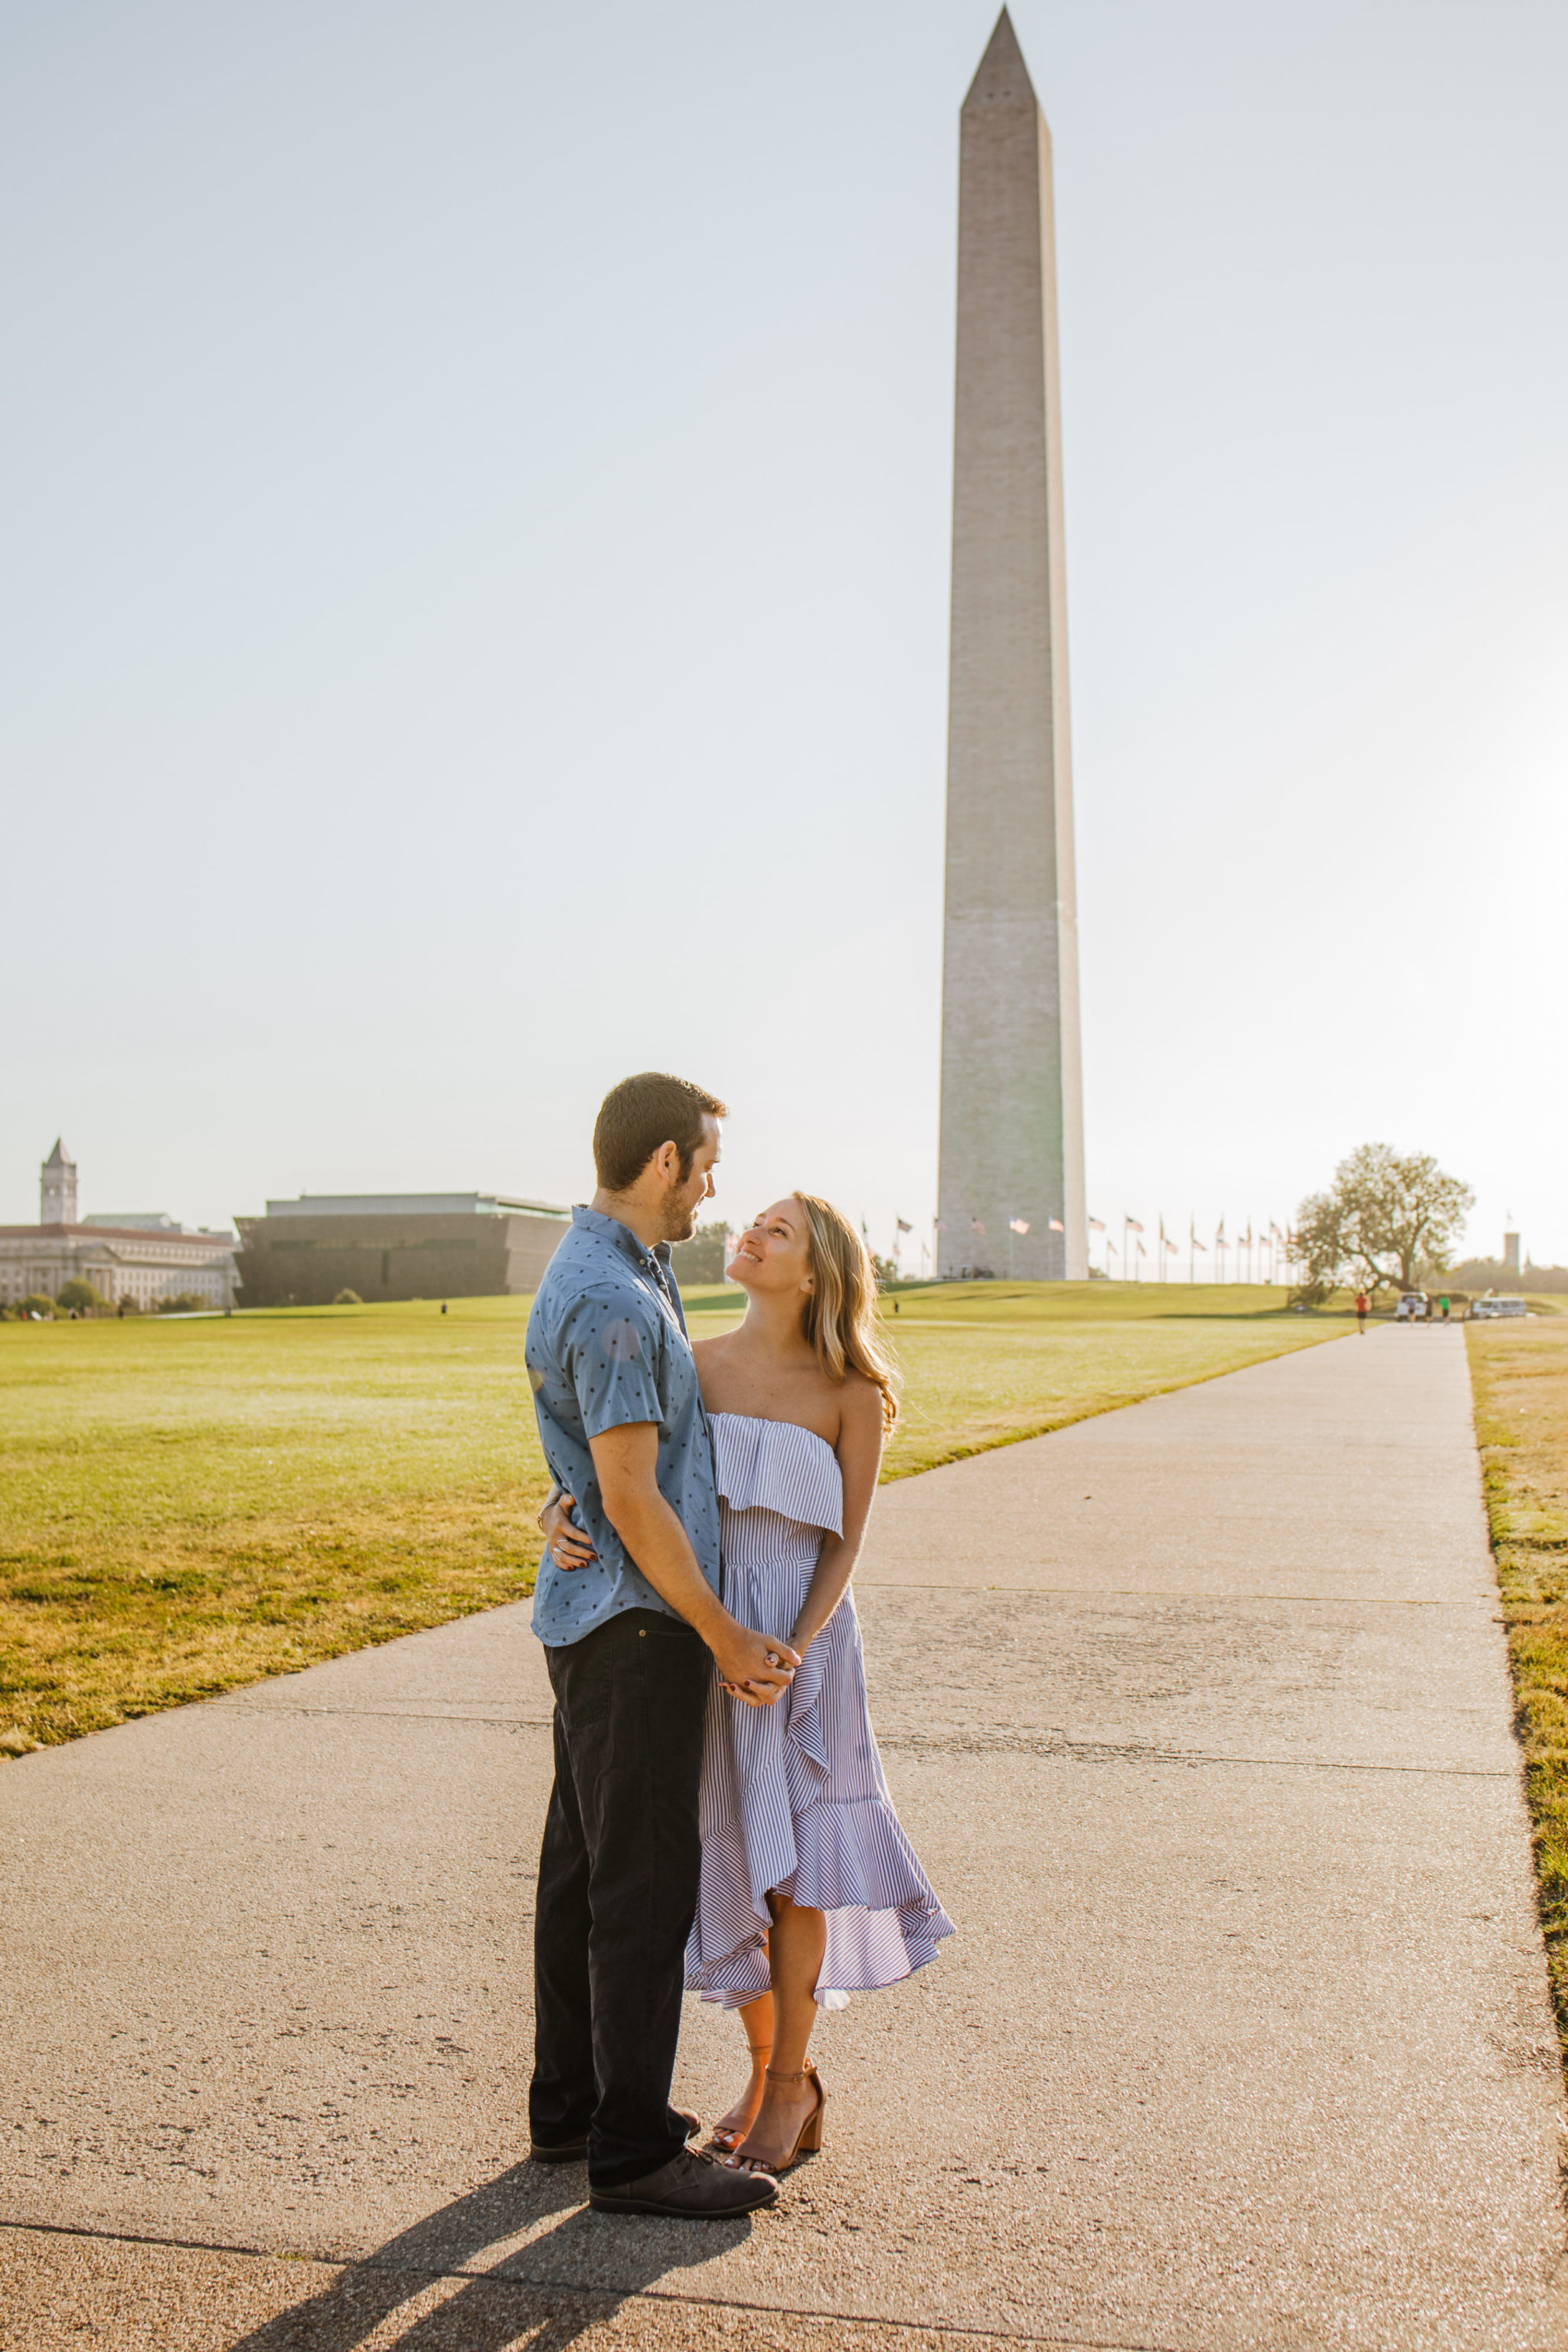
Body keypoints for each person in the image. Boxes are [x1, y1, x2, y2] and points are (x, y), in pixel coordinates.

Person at [545, 1192, 953, 2178]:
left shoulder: (854, 1391)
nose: (750, 1234)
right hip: (710, 1637)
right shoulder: (696, 1364)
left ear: (816, 1272)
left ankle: (788, 2090)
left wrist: (793, 1651)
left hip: (805, 1655)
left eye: (778, 1230)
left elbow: (846, 1544)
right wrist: (556, 1512)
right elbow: (624, 1469)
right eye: (753, 1222)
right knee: (734, 1859)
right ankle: (770, 2069)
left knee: (800, 1863)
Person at [524, 1072, 796, 2219]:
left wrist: (556, 1498)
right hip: (640, 1628)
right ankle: (632, 2151)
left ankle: (572, 2107)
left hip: (596, 1619)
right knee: (640, 1885)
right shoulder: (622, 1299)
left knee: (583, 1873)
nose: (714, 1186)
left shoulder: (614, 1271)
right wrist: (725, 1629)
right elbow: (634, 1497)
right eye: (706, 1163)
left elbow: (592, 1464)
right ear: (663, 1164)